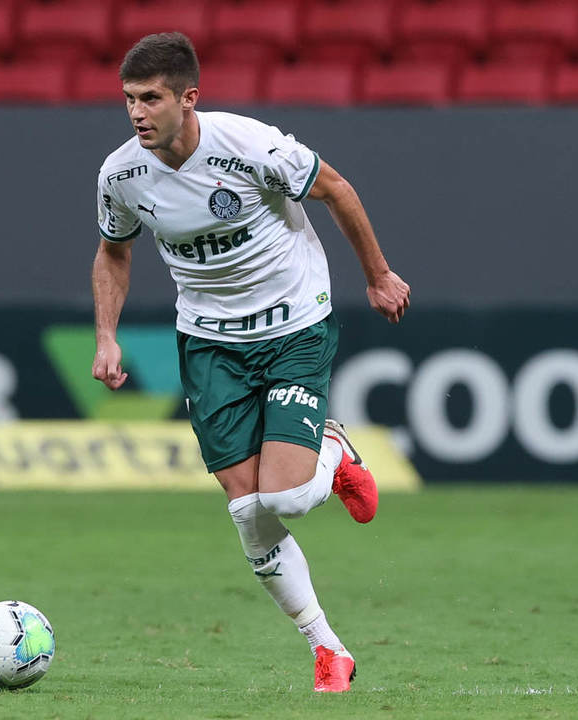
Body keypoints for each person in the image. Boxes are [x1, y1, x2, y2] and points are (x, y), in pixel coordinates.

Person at [91, 33, 410, 692]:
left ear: (189, 98)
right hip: (210, 343)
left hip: (294, 324)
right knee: (248, 510)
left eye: (151, 98)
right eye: (129, 100)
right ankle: (328, 649)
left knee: (288, 496)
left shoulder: (252, 147)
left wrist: (378, 276)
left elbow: (338, 190)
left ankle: (335, 449)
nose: (138, 113)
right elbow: (114, 253)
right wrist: (106, 336)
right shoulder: (121, 174)